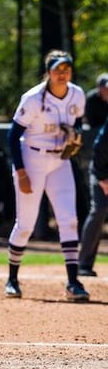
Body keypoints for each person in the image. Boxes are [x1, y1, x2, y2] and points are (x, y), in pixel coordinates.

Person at [4, 50, 89, 301]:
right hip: (32, 158)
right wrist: (21, 172)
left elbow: (78, 123)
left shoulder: (77, 94)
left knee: (69, 219)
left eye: (66, 69)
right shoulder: (32, 99)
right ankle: (12, 279)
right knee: (26, 224)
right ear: (48, 72)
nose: (62, 74)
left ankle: (73, 282)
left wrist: (76, 134)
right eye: (57, 69)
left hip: (60, 160)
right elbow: (12, 135)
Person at [78, 74, 108, 277]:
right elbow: (99, 151)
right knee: (99, 210)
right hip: (102, 170)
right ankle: (84, 264)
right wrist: (103, 179)